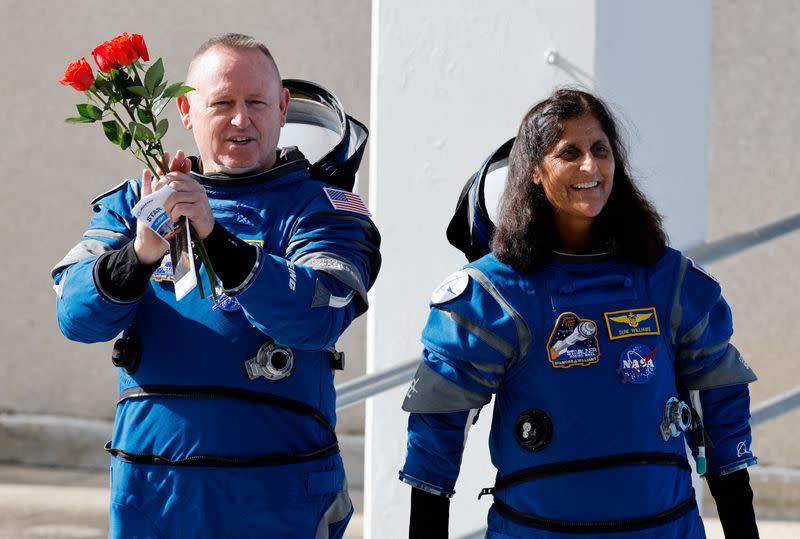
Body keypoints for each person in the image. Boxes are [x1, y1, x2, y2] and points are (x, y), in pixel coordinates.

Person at [52, 33, 380, 538]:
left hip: (278, 496)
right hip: (153, 496)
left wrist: (214, 235)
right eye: (222, 103)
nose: (241, 120)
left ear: (283, 106)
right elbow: (75, 316)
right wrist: (139, 255)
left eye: (256, 102)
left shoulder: (322, 209)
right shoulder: (135, 203)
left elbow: (315, 316)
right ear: (185, 109)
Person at [399, 89, 759, 538]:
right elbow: (436, 440)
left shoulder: (670, 282)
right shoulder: (493, 294)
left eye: (600, 150)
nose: (590, 166)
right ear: (533, 169)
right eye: (569, 152)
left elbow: (723, 420)